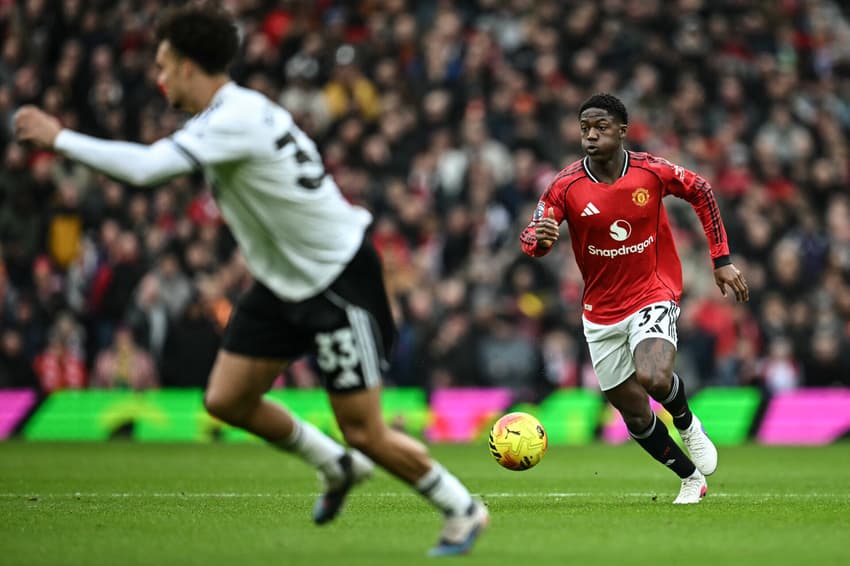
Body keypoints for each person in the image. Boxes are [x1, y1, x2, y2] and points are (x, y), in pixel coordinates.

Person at [14, 3, 486, 555]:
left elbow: (145, 170)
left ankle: (462, 508)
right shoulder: (238, 111)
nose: (160, 78)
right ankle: (334, 464)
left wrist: (59, 138)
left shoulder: (231, 121)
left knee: (365, 430)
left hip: (335, 282)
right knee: (227, 398)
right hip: (283, 281)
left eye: (165, 66)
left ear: (191, 67)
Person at [520, 93, 750, 504]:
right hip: (600, 311)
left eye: (601, 127)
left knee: (655, 378)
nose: (591, 135)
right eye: (585, 128)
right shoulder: (564, 186)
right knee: (636, 414)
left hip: (653, 290)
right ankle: (690, 478)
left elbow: (702, 190)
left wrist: (721, 259)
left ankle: (687, 422)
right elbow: (531, 238)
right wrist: (539, 241)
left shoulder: (651, 171)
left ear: (622, 130)